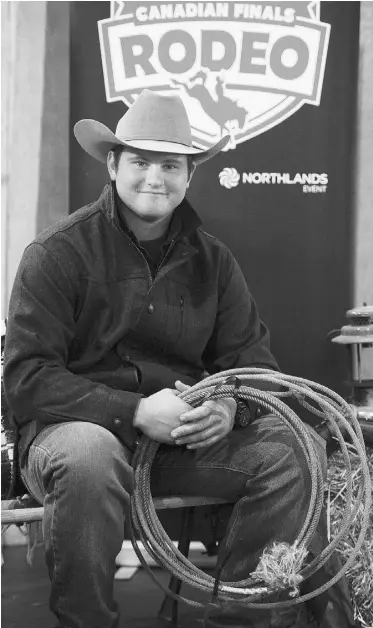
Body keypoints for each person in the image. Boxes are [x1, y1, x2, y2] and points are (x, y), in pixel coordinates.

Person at [3, 90, 356, 628]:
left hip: (179, 443)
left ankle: (241, 620)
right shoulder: (56, 254)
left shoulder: (214, 262)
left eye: (170, 165)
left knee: (295, 448)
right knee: (90, 454)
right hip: (71, 433)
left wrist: (231, 411)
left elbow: (254, 362)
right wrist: (137, 410)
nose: (154, 178)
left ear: (189, 175)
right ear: (114, 163)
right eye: (141, 161)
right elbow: (26, 379)